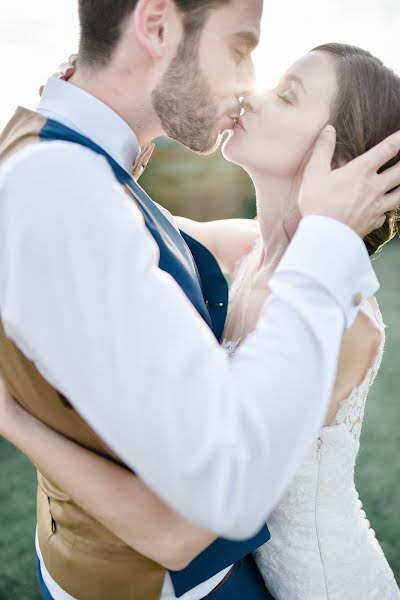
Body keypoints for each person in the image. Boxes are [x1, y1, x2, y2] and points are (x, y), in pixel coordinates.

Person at [0, 0, 400, 596]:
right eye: (240, 48)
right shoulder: (246, 253)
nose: (250, 90)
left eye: (286, 94)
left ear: (339, 160)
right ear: (156, 25)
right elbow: (119, 228)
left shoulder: (339, 319)